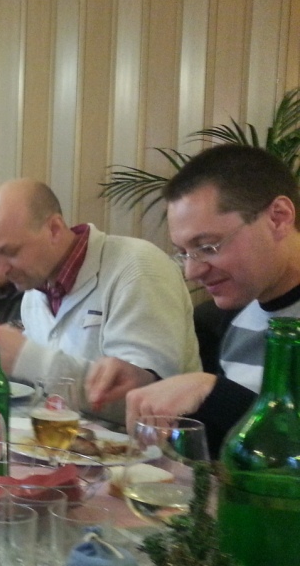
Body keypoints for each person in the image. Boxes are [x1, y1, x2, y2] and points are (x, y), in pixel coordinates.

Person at [86, 144, 300, 449]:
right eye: (185, 252)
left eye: (208, 246)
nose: (192, 271)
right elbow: (234, 445)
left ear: (278, 218)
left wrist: (213, 391)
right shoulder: (233, 317)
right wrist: (151, 384)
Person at [0, 178, 200, 422]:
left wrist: (29, 359)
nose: (0, 269)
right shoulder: (34, 290)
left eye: (10, 252)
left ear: (54, 229)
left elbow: (147, 405)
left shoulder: (138, 267)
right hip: (64, 445)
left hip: (150, 455)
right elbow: (41, 389)